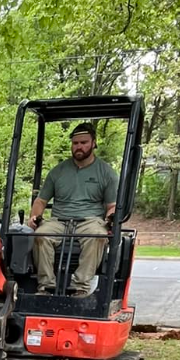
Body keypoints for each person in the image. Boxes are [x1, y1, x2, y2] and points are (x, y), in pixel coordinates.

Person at [28, 123, 118, 296]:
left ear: (93, 143)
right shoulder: (58, 171)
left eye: (83, 142)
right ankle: (46, 287)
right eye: (75, 143)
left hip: (90, 221)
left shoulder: (106, 173)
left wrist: (111, 219)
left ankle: (80, 287)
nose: (79, 147)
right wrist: (34, 217)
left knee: (98, 236)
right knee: (41, 235)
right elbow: (41, 201)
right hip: (59, 221)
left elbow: (111, 206)